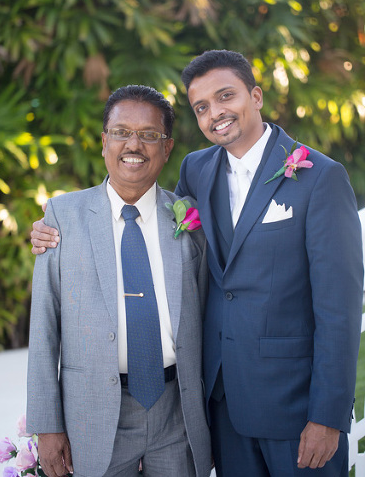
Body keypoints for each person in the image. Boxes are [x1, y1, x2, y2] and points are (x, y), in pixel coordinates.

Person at [31, 50, 364, 476]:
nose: (216, 113)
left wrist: (328, 415)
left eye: (226, 96)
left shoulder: (321, 177)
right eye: (202, 107)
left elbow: (339, 310)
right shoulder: (197, 171)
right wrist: (48, 232)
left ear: (256, 95)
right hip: (219, 405)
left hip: (294, 406)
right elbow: (155, 236)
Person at [27, 85, 211, 477]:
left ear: (166, 147)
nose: (134, 144)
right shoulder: (63, 215)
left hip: (176, 410)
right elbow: (43, 327)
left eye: (149, 135)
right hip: (92, 411)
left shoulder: (188, 218)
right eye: (121, 132)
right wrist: (46, 425)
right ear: (103, 141)